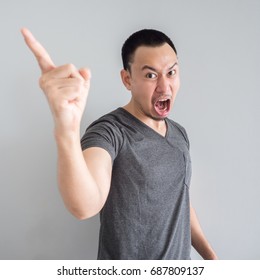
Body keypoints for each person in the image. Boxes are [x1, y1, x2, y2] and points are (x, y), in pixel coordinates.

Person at [21, 27, 218, 260]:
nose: (165, 87)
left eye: (171, 72)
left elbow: (180, 202)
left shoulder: (179, 134)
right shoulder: (110, 131)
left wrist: (211, 258)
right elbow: (85, 205)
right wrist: (66, 130)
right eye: (150, 75)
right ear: (127, 79)